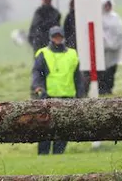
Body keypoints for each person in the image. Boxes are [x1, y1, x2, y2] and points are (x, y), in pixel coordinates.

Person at [31, 26, 84, 155]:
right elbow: (37, 72)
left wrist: (80, 93)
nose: (57, 39)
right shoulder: (43, 53)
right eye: (55, 37)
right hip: (48, 96)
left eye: (59, 36)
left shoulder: (72, 54)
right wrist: (37, 86)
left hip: (67, 97)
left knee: (63, 129)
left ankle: (58, 154)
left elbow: (77, 76)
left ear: (63, 37)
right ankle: (43, 155)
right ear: (51, 38)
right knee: (45, 129)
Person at [97, 0, 122, 95]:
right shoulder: (99, 17)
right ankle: (102, 89)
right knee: (103, 70)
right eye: (106, 5)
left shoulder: (115, 17)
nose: (108, 7)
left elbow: (121, 30)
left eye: (109, 5)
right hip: (104, 48)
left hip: (115, 48)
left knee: (112, 69)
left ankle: (109, 87)